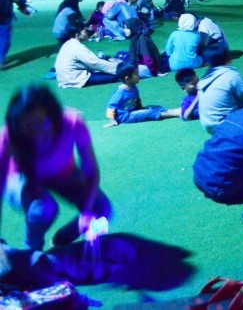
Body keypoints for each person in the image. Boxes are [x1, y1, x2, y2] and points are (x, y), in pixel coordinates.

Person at [0, 85, 111, 255]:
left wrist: (86, 214)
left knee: (101, 208)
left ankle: (60, 241)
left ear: (53, 115)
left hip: (62, 173)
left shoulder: (72, 121)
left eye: (40, 123)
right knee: (43, 210)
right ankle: (32, 252)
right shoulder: (9, 133)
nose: (35, 133)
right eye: (27, 128)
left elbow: (91, 171)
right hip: (23, 177)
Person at [197, 43, 243, 135]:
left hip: (208, 125)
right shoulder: (232, 76)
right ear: (228, 58)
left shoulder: (204, 78)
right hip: (226, 125)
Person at [104, 64, 179, 127]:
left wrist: (140, 107)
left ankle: (172, 110)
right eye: (136, 74)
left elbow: (137, 100)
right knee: (147, 113)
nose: (139, 76)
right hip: (125, 116)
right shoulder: (120, 92)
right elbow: (110, 107)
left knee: (154, 107)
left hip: (133, 111)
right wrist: (112, 120)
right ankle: (175, 113)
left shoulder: (134, 87)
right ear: (127, 78)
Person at [55, 27, 120, 88]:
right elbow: (95, 63)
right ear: (77, 35)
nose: (87, 33)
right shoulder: (77, 46)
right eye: (85, 31)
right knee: (115, 76)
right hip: (75, 79)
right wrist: (119, 68)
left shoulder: (68, 44)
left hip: (64, 78)